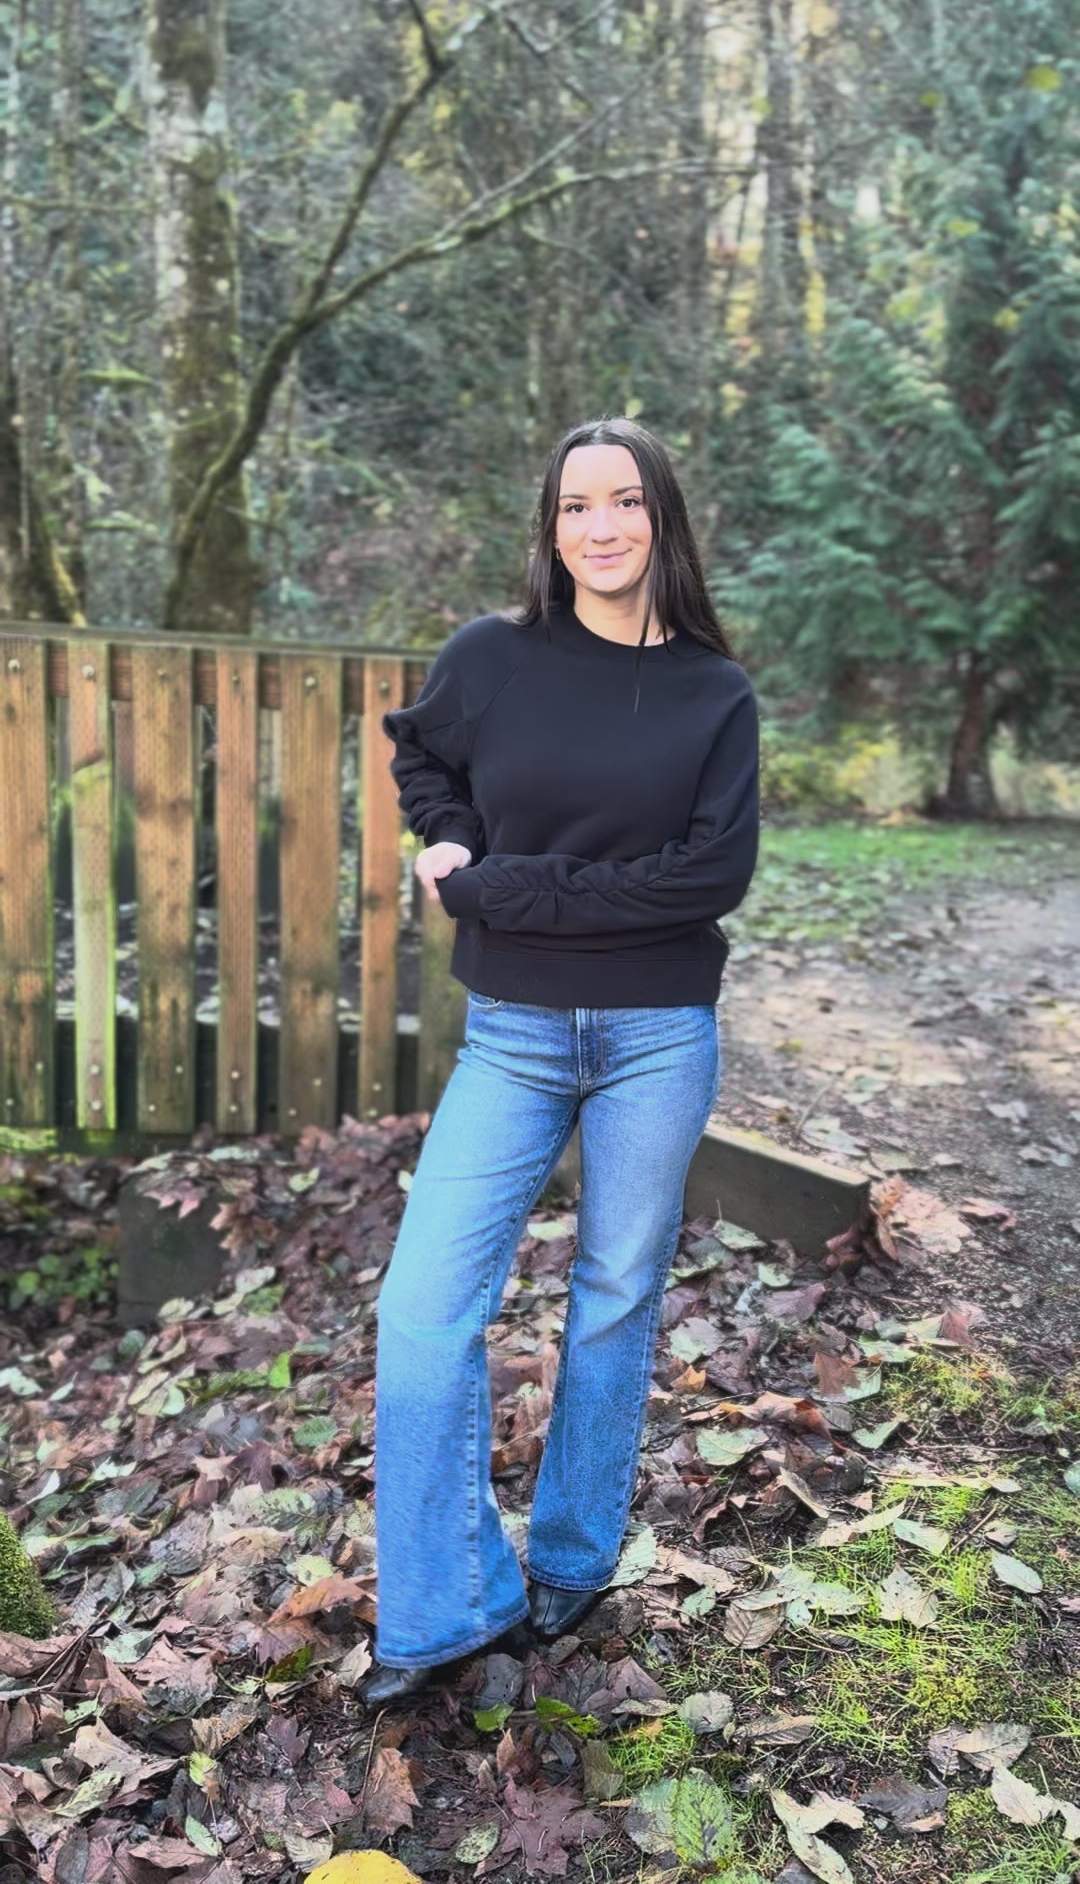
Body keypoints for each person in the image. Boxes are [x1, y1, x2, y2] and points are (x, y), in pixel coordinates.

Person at [363, 416, 760, 1706]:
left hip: (659, 1032)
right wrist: (446, 834)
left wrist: (503, 888)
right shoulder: (492, 658)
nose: (602, 527)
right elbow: (420, 748)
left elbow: (710, 876)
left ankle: (575, 1558)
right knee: (424, 1309)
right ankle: (445, 1607)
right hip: (515, 1033)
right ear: (550, 527)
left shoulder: (714, 692)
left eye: (626, 500)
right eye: (576, 505)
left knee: (615, 1293)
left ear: (663, 519)